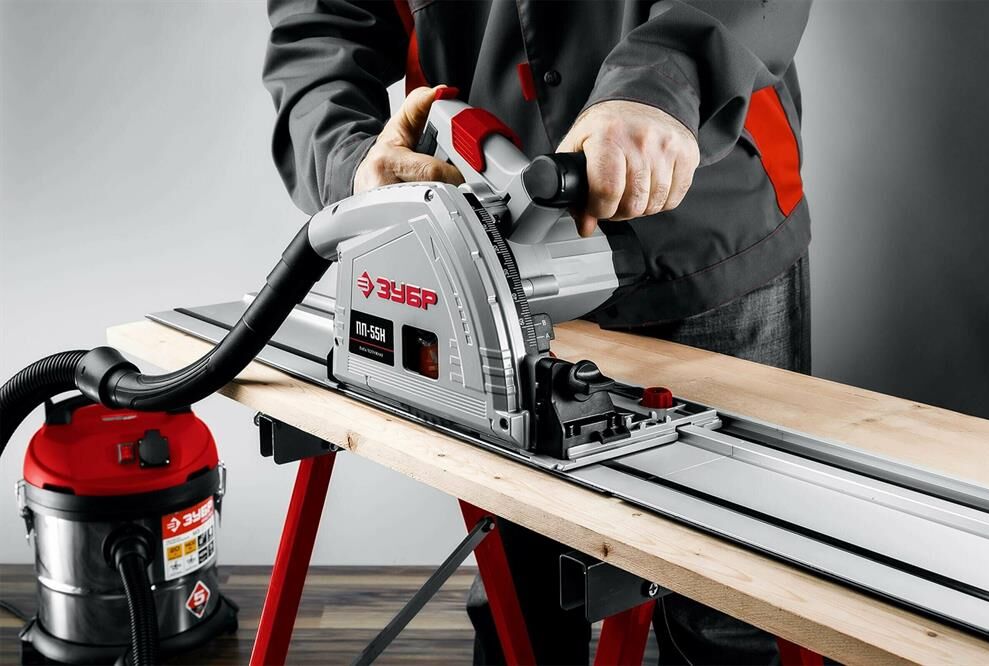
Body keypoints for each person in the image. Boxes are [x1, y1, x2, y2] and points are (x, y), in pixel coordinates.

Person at [264, 1, 812, 663]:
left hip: (705, 219)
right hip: (496, 247)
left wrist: (667, 77)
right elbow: (320, 30)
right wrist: (353, 165)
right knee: (521, 597)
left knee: (729, 608)